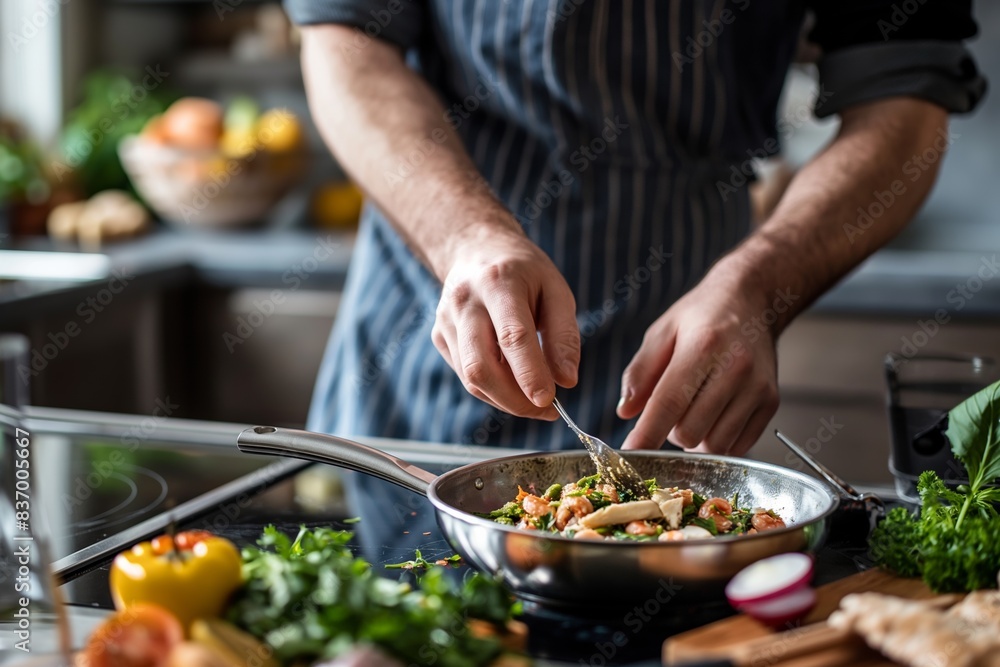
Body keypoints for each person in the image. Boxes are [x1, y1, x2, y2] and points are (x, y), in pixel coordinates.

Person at [290, 0, 985, 456]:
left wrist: (759, 284)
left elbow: (907, 101)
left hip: (688, 327)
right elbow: (347, 42)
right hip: (422, 328)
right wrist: (465, 235)